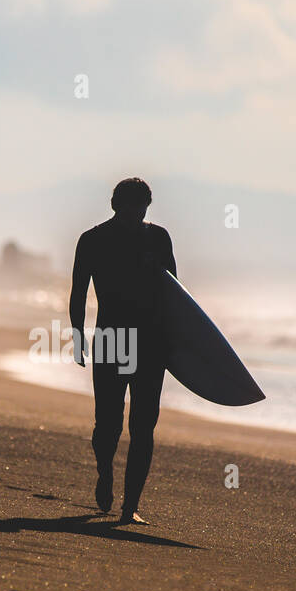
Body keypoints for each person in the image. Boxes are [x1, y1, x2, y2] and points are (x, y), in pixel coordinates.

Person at [69, 177, 176, 525]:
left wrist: (178, 344)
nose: (136, 212)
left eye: (142, 206)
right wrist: (77, 336)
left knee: (144, 426)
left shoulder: (158, 238)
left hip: (151, 342)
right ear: (115, 205)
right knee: (108, 425)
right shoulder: (93, 240)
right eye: (129, 205)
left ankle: (130, 507)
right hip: (112, 339)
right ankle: (105, 472)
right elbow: (78, 292)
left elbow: (175, 294)